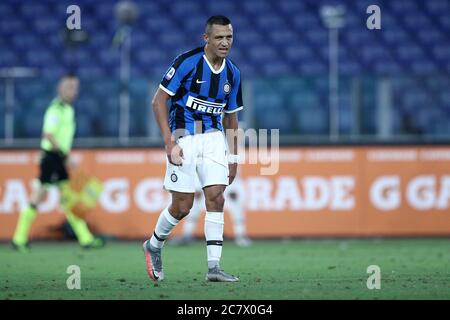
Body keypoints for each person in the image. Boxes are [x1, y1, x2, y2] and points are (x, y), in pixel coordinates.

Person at [143, 15, 243, 282]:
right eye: (219, 37)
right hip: (183, 137)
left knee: (216, 197)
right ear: (206, 38)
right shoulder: (187, 62)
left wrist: (233, 157)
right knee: (182, 206)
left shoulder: (233, 73)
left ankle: (214, 268)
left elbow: (231, 117)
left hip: (213, 139)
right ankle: (154, 244)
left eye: (229, 37)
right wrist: (169, 142)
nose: (225, 42)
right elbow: (158, 101)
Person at [11, 73, 103, 252]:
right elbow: (48, 135)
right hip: (52, 157)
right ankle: (19, 238)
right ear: (60, 88)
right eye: (69, 87)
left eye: (75, 87)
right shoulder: (56, 109)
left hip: (57, 158)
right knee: (40, 195)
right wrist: (65, 156)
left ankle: (85, 239)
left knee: (68, 198)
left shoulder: (68, 109)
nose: (73, 91)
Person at [172, 177, 252, 247]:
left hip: (224, 184)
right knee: (193, 209)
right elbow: (199, 167)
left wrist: (232, 187)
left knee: (236, 209)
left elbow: (232, 168)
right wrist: (197, 187)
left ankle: (240, 236)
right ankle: (187, 235)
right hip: (205, 183)